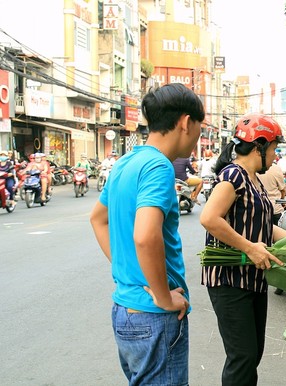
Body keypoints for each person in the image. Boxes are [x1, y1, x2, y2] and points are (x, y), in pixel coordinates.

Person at [89, 83, 205, 385]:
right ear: (185, 122)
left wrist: (131, 272)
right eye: (199, 129)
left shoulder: (126, 162)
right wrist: (164, 297)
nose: (197, 137)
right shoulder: (158, 167)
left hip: (126, 311)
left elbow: (98, 219)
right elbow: (145, 235)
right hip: (154, 315)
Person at [200, 113, 286, 386]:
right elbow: (209, 218)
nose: (275, 156)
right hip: (230, 279)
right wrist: (250, 248)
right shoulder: (233, 175)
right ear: (259, 146)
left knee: (253, 353)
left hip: (253, 280)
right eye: (273, 149)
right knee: (243, 356)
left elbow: (263, 226)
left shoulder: (256, 181)